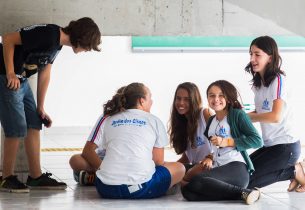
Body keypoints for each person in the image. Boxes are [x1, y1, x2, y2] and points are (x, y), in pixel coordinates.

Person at [0, 17, 101, 193]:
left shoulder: (57, 44)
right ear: (82, 39)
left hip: (21, 80)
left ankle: (36, 177)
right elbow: (8, 39)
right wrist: (10, 73)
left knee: (34, 122)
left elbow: (45, 72)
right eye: (88, 47)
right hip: (6, 77)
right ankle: (6, 178)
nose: (86, 50)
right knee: (16, 128)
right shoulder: (48, 34)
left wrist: (41, 107)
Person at [95, 82, 185, 199]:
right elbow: (158, 162)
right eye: (150, 98)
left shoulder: (109, 119)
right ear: (142, 101)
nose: (151, 102)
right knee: (179, 168)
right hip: (137, 189)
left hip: (105, 188)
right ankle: (165, 188)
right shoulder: (154, 121)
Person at [181, 80, 263, 205]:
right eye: (212, 95)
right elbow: (216, 150)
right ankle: (242, 194)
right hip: (218, 168)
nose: (216, 99)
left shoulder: (237, 115)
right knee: (187, 191)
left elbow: (257, 141)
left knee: (197, 180)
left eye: (221, 95)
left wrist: (227, 141)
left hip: (236, 168)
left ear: (229, 98)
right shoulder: (211, 121)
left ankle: (243, 192)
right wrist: (209, 157)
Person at [245, 36, 305, 192]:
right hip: (270, 146)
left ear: (270, 58)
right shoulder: (258, 84)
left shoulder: (278, 80)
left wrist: (247, 117)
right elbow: (261, 112)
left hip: (286, 147)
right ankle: (293, 171)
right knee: (242, 173)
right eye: (251, 54)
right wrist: (238, 117)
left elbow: (275, 116)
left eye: (257, 54)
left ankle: (295, 170)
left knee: (246, 184)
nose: (252, 59)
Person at [69, 86, 125, 186]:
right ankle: (99, 176)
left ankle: (94, 177)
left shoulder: (142, 120)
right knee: (76, 160)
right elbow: (87, 151)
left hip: (126, 162)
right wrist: (105, 171)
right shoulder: (106, 117)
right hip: (103, 162)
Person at [168, 82, 213, 186]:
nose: (181, 103)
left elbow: (223, 143)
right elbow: (188, 157)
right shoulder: (183, 122)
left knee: (183, 180)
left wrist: (210, 157)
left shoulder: (205, 114)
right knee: (166, 174)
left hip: (212, 165)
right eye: (178, 98)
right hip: (195, 167)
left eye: (186, 99)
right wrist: (167, 167)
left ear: (194, 100)